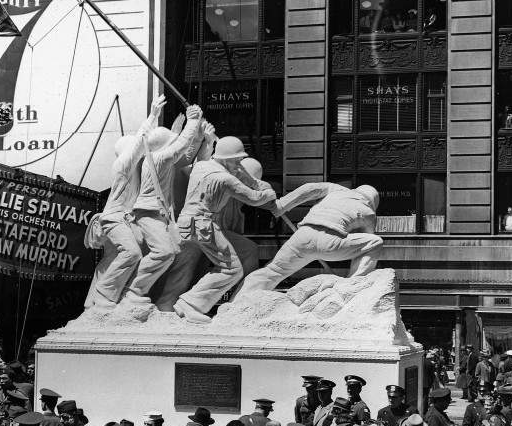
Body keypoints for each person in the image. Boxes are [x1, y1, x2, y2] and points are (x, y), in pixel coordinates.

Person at [156, 136, 276, 323]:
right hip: (203, 225)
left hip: (192, 224)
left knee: (247, 249)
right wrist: (270, 193)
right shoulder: (225, 179)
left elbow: (239, 174)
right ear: (226, 159)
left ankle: (243, 300)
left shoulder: (202, 166)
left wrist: (239, 170)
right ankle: (189, 305)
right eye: (237, 160)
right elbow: (254, 198)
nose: (239, 164)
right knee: (231, 268)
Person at [85, 94, 167, 310]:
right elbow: (140, 144)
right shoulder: (123, 165)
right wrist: (152, 117)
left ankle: (94, 300)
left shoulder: (135, 169)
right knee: (131, 253)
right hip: (115, 218)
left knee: (114, 259)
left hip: (123, 219)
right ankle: (103, 296)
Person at [121, 104, 204, 315]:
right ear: (164, 146)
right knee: (165, 252)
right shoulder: (158, 159)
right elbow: (182, 145)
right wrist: (192, 119)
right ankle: (133, 292)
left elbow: (183, 151)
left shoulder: (156, 159)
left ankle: (146, 294)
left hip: (159, 215)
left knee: (177, 250)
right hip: (149, 214)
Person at [240, 182, 383, 293]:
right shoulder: (369, 212)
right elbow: (366, 242)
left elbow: (310, 188)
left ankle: (236, 304)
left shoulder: (337, 189)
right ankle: (353, 285)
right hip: (330, 242)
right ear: (373, 202)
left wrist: (282, 205)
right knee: (375, 242)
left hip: (302, 236)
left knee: (274, 271)